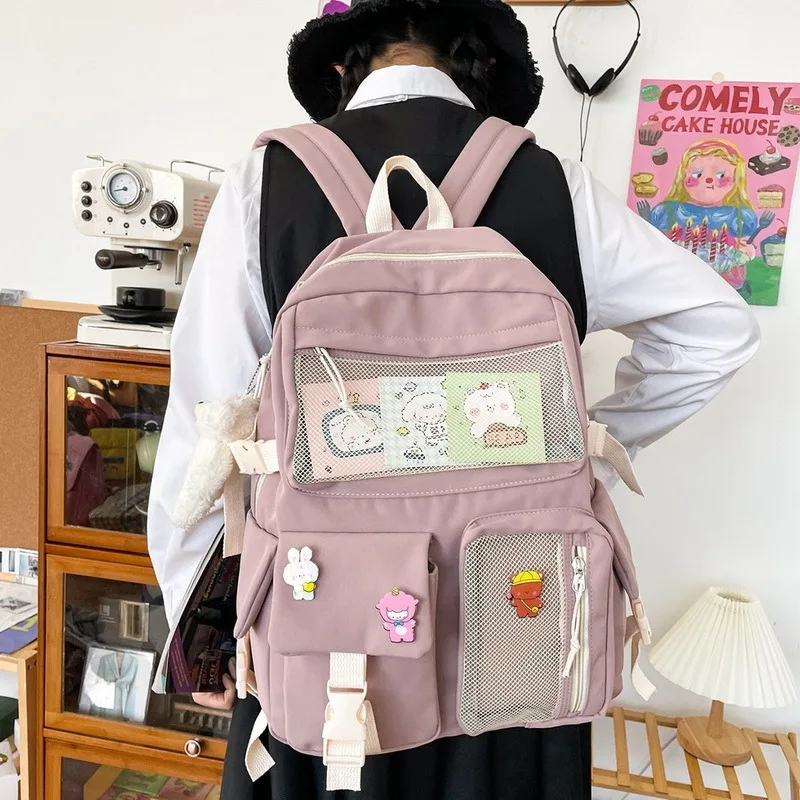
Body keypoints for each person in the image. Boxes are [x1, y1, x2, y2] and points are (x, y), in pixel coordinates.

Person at [148, 1, 760, 798]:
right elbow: (719, 329)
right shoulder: (557, 184)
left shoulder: (263, 182)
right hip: (519, 635)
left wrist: (202, 631)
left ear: (341, 66)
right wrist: (584, 454)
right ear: (479, 65)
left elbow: (205, 431)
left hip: (326, 640)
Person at [637, 138, 761, 296]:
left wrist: (747, 249)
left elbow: (746, 246)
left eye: (721, 175)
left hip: (724, 282)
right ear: (683, 176)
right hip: (674, 280)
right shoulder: (668, 211)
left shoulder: (739, 215)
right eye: (697, 174)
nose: (708, 180)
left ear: (736, 180)